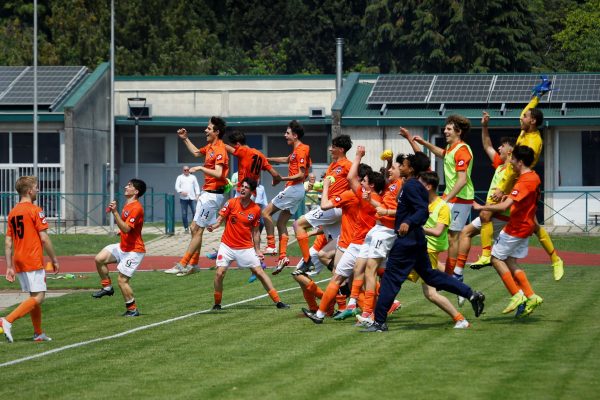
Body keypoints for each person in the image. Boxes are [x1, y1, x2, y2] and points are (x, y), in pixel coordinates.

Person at [359, 152, 485, 332]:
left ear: (411, 169)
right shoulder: (410, 185)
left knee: (390, 279)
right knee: (431, 275)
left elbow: (422, 211)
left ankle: (379, 322)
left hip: (408, 241)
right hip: (416, 240)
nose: (400, 166)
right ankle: (471, 294)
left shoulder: (411, 186)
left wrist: (408, 222)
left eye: (403, 164)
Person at [472, 77, 564, 281]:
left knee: (533, 225)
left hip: (523, 183)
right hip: (513, 182)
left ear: (532, 121)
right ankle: (487, 254)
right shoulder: (526, 128)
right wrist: (538, 95)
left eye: (525, 117)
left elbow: (516, 169)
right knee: (487, 215)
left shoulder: (533, 142)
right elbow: (528, 109)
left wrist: (501, 189)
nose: (520, 118)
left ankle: (556, 260)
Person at [473, 145, 544, 317]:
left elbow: (505, 206)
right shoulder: (534, 177)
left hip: (517, 227)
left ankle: (517, 295)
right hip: (526, 226)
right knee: (511, 261)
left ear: (520, 162)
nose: (510, 162)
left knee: (495, 258)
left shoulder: (524, 180)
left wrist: (480, 206)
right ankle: (531, 296)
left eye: (513, 159)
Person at [207, 178, 289, 310]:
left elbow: (256, 232)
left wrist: (257, 250)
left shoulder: (256, 209)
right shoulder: (231, 203)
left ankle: (278, 301)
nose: (242, 189)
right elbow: (220, 219)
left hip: (245, 247)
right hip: (227, 245)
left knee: (259, 272)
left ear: (252, 191)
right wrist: (214, 226)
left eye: (246, 187)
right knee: (219, 273)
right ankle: (217, 304)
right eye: (241, 187)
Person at [165, 117, 230, 276]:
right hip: (206, 193)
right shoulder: (210, 147)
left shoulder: (220, 149)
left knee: (197, 228)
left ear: (217, 132)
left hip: (213, 196)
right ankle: (193, 265)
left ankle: (183, 264)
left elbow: (219, 173)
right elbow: (195, 153)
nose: (205, 131)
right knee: (195, 229)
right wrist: (185, 139)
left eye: (208, 128)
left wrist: (201, 168)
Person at [414, 116, 474, 284]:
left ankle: (453, 276)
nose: (445, 131)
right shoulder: (451, 148)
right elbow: (442, 153)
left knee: (453, 236)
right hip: (452, 197)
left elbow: (462, 180)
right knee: (443, 232)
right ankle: (450, 274)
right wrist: (425, 143)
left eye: (449, 129)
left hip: (460, 198)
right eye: (445, 128)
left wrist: (446, 198)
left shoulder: (462, 150)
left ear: (458, 131)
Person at [1, 176, 59, 342]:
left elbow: (7, 242)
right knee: (39, 297)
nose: (38, 190)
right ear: (29, 191)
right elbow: (44, 238)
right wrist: (54, 259)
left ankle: (38, 333)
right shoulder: (35, 210)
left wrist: (9, 266)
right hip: (32, 258)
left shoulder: (13, 212)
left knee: (34, 297)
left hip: (19, 259)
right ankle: (7, 320)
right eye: (36, 187)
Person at [457, 114, 515, 277]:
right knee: (466, 232)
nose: (498, 149)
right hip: (492, 214)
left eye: (502, 146)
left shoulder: (514, 169)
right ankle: (459, 272)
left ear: (510, 150)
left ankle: (485, 256)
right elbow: (487, 146)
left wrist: (505, 194)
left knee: (505, 259)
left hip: (501, 214)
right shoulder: (500, 164)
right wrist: (484, 126)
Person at [414, 171, 471, 328]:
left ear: (428, 186)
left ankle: (461, 318)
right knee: (386, 274)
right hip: (419, 249)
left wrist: (418, 228)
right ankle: (465, 292)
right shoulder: (423, 202)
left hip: (428, 251)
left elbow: (439, 232)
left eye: (420, 183)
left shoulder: (442, 207)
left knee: (430, 293)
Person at [291, 135, 353, 275]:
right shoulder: (332, 166)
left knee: (297, 225)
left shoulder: (348, 165)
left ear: (341, 149)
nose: (331, 149)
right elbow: (327, 186)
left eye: (334, 147)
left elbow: (356, 183)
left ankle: (307, 262)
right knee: (338, 253)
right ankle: (344, 280)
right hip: (331, 208)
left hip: (335, 207)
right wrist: (313, 185)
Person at [92, 179, 147, 317]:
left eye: (129, 186)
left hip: (134, 251)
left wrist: (115, 213)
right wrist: (120, 229)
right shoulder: (128, 205)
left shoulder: (136, 207)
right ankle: (107, 287)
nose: (125, 186)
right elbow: (126, 227)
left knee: (122, 281)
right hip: (123, 247)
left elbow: (127, 229)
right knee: (99, 259)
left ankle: (132, 309)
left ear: (136, 191)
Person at [263, 120, 311, 271]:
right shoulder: (296, 151)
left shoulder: (302, 150)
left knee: (265, 213)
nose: (285, 135)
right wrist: (267, 160)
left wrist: (281, 178)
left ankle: (271, 246)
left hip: (294, 189)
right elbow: (286, 159)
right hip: (296, 191)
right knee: (281, 223)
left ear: (295, 135)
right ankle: (283, 257)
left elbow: (301, 174)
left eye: (287, 133)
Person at [174, 165, 200, 233]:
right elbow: (177, 186)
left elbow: (196, 186)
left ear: (189, 170)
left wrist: (197, 195)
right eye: (185, 170)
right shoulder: (180, 177)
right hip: (183, 198)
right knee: (184, 214)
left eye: (187, 170)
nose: (186, 171)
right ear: (183, 171)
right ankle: (186, 228)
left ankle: (194, 226)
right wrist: (181, 191)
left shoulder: (193, 177)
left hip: (192, 198)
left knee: (195, 212)